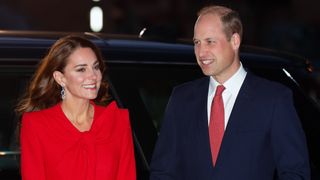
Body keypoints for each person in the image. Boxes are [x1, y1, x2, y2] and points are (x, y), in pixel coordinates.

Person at [149, 5, 310, 180]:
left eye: (210, 41)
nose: (201, 52)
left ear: (234, 41)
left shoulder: (273, 99)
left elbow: (295, 172)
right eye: (197, 43)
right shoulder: (182, 98)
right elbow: (163, 172)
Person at [16, 35, 136, 180]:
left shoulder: (116, 120)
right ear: (60, 78)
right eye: (81, 69)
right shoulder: (36, 125)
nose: (93, 76)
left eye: (96, 67)